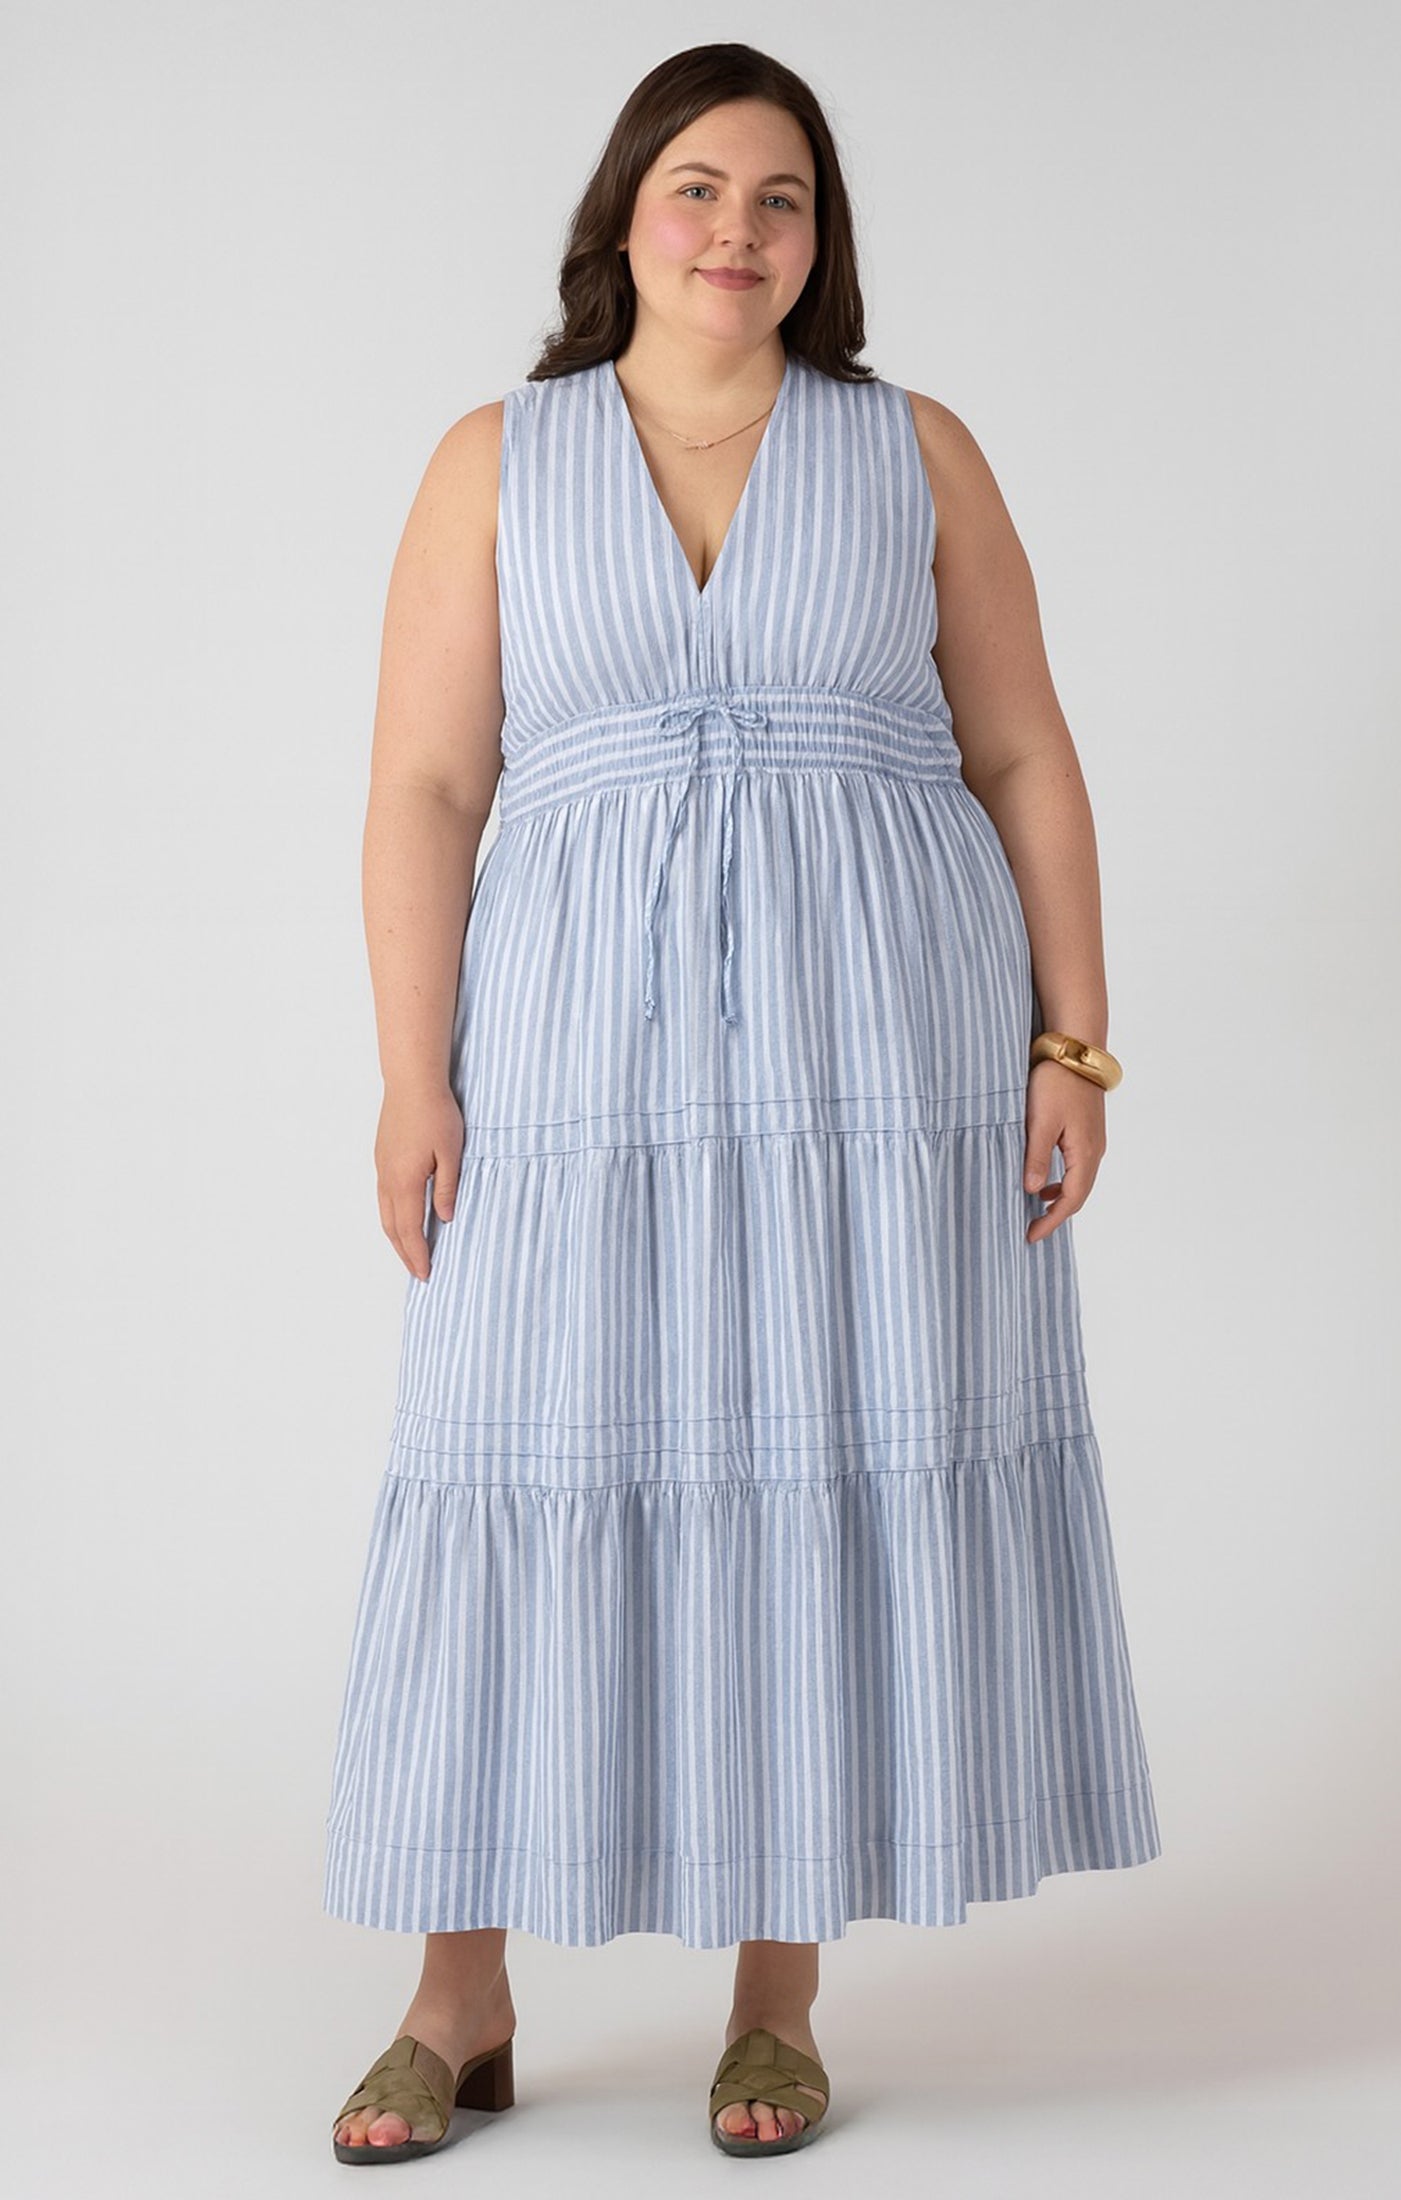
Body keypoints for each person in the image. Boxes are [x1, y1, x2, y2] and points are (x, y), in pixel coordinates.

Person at [324, 40, 1162, 2166]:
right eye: (696, 188)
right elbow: (427, 782)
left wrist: (1070, 1041)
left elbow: (1026, 755)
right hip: (570, 1066)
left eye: (777, 198)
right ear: (624, 216)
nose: (733, 230)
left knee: (830, 1448)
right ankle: (457, 1986)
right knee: (514, 1455)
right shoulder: (494, 459)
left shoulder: (913, 452)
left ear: (818, 241)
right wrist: (411, 1077)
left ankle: (772, 2000)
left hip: (873, 1060)